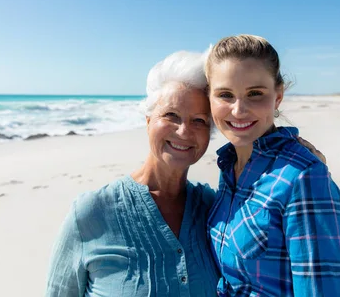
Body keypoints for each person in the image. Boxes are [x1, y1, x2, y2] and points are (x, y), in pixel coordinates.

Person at [45, 51, 220, 296]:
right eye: (171, 115)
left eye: (199, 120)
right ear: (148, 120)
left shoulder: (215, 210)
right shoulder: (90, 213)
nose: (183, 131)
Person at [205, 35, 340, 296]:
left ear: (278, 97)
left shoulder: (304, 177)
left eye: (255, 94)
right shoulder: (230, 166)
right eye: (225, 95)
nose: (238, 110)